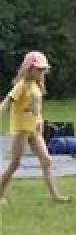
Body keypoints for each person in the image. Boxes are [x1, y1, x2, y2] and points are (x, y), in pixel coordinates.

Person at [0, 51, 70, 205]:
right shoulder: (22, 85)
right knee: (14, 164)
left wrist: (40, 122)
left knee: (46, 161)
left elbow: (35, 109)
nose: (41, 72)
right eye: (38, 69)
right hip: (21, 130)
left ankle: (55, 196)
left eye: (43, 69)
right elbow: (8, 101)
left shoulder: (36, 86)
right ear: (29, 69)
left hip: (34, 130)